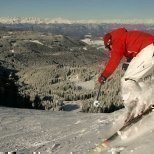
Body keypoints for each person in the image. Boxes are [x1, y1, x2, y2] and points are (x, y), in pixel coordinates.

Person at [98, 28, 154, 122]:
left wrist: (104, 75)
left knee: (127, 79)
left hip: (149, 50)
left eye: (108, 48)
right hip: (148, 50)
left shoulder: (117, 40)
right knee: (136, 80)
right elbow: (134, 50)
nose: (109, 50)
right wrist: (129, 62)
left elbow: (114, 59)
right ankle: (147, 98)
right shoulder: (123, 37)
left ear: (109, 42)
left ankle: (140, 105)